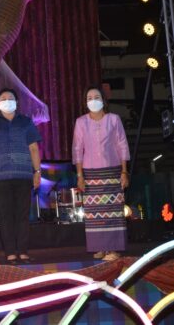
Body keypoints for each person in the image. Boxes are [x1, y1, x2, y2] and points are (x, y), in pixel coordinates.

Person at [0, 88, 42, 263]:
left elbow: (33, 148)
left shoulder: (26, 122)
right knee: (5, 215)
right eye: (3, 98)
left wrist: (37, 172)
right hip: (1, 176)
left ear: (16, 102)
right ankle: (10, 253)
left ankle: (23, 251)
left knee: (23, 214)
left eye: (10, 98)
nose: (7, 101)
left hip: (24, 174)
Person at [72, 86, 130, 261]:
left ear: (103, 100)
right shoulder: (81, 122)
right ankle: (100, 247)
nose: (93, 100)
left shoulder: (114, 119)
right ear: (85, 102)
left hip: (112, 170)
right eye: (89, 98)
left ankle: (113, 249)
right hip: (90, 173)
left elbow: (122, 144)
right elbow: (77, 149)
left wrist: (124, 171)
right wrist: (80, 176)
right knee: (95, 212)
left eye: (96, 97)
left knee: (113, 211)